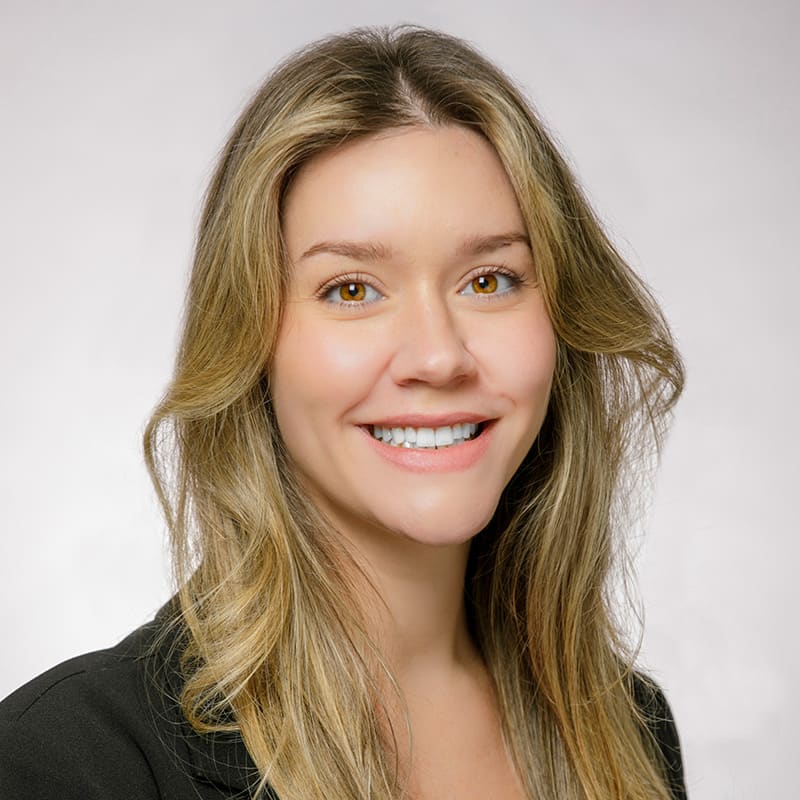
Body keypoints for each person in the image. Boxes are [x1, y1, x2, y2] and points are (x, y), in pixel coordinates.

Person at [0, 25, 687, 800]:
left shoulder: (629, 729)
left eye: (490, 280)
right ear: (250, 342)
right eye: (352, 289)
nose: (438, 356)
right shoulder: (64, 764)